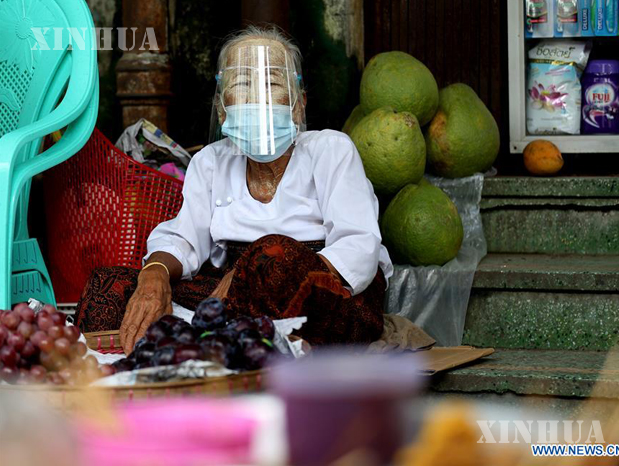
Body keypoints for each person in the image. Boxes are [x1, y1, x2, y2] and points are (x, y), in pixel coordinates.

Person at [74, 26, 393, 354]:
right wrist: (153, 273)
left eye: (272, 83)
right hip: (232, 294)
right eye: (242, 83)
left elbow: (359, 245)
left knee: (271, 260)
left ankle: (216, 341)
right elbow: (183, 238)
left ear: (299, 105)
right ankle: (137, 366)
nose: (257, 97)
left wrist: (253, 269)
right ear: (222, 108)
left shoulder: (331, 150)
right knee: (109, 287)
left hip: (323, 293)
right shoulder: (210, 161)